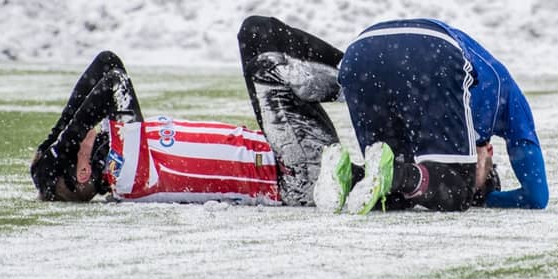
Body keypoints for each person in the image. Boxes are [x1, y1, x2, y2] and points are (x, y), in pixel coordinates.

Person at [30, 16, 344, 204]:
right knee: (263, 64)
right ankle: (356, 85)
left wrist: (52, 142)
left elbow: (106, 60)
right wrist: (62, 147)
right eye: (77, 145)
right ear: (83, 171)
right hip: (296, 177)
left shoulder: (125, 147)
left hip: (290, 149)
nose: (85, 132)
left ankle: (354, 76)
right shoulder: (127, 174)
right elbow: (114, 81)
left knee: (256, 30)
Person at [314, 18, 549, 214]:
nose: (477, 191)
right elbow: (537, 197)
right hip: (429, 49)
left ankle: (347, 173)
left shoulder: (471, 103)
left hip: (362, 51)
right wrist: (487, 198)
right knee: (458, 191)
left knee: (393, 194)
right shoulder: (506, 95)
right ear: (488, 151)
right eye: (482, 183)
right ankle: (392, 174)